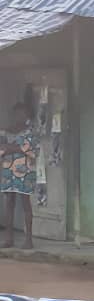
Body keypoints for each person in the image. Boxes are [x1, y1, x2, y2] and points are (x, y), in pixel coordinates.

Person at [1, 103, 39, 250]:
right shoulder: (6, 131)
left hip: (25, 172)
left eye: (23, 114)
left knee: (25, 204)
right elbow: (2, 148)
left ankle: (29, 239)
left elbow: (30, 150)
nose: (20, 116)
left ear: (27, 116)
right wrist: (18, 148)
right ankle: (8, 238)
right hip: (7, 172)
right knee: (9, 203)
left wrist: (10, 148)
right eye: (17, 113)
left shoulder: (31, 131)